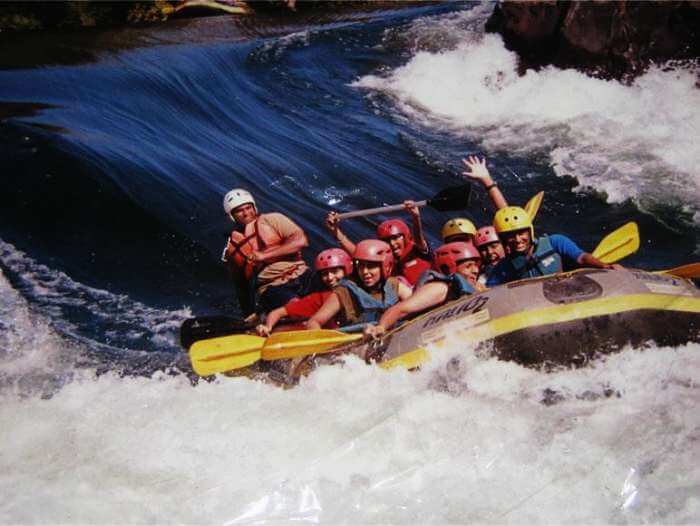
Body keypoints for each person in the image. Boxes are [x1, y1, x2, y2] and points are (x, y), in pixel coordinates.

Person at [364, 242, 484, 339]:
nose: (475, 270)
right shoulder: (439, 288)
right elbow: (400, 309)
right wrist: (381, 327)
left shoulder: (474, 287)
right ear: (448, 267)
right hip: (410, 336)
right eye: (469, 266)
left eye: (476, 266)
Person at [221, 188, 311, 316]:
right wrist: (248, 314)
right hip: (272, 287)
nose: (246, 213)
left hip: (301, 273)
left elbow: (301, 241)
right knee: (296, 307)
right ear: (232, 215)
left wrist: (264, 255)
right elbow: (241, 286)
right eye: (240, 211)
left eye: (248, 208)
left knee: (338, 291)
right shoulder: (231, 249)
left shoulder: (273, 219)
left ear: (254, 207)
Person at [486, 206, 621, 286]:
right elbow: (489, 292)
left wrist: (603, 266)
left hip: (563, 292)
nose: (517, 239)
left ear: (530, 231)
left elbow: (582, 258)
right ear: (502, 239)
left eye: (521, 233)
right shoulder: (503, 268)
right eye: (510, 236)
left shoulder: (555, 242)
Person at [306, 239, 413, 330]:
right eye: (361, 266)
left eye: (371, 266)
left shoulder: (394, 285)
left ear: (385, 266)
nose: (365, 272)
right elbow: (314, 322)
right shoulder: (344, 291)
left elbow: (416, 303)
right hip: (356, 343)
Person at [326, 201, 432, 286]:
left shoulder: (417, 248)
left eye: (396, 238)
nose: (392, 243)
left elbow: (418, 238)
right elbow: (357, 252)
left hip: (429, 290)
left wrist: (415, 217)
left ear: (406, 237)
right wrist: (335, 231)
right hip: (409, 298)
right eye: (387, 240)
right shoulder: (384, 258)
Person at [255, 248, 352, 336]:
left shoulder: (357, 291)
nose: (330, 278)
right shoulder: (319, 299)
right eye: (325, 274)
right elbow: (277, 313)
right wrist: (268, 327)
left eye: (335, 271)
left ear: (346, 270)